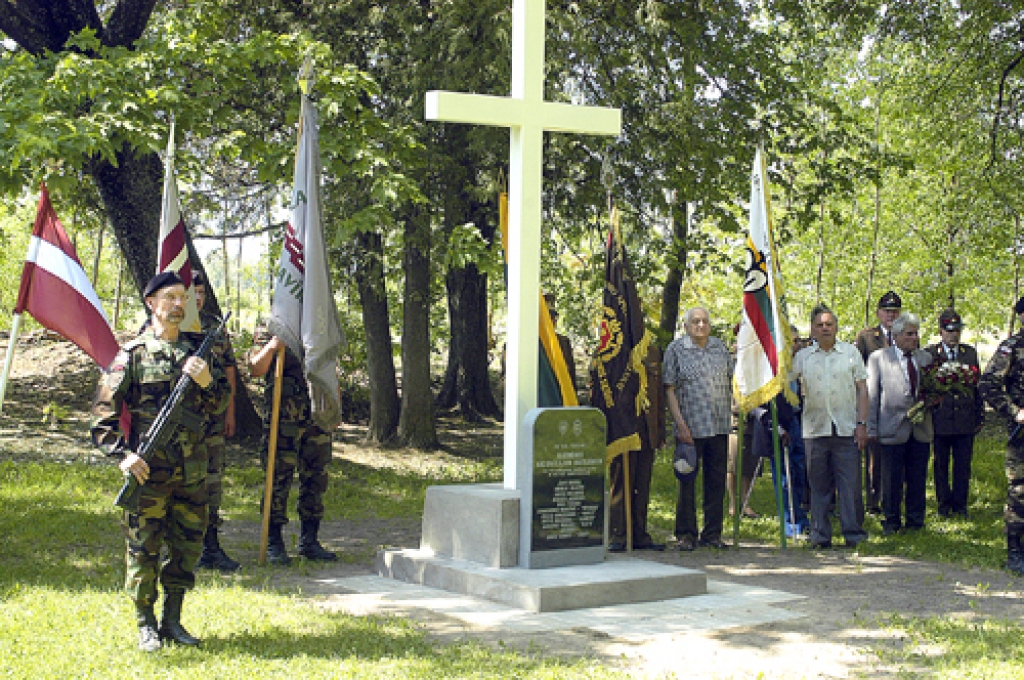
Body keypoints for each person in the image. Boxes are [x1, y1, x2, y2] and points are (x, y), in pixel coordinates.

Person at [90, 272, 230, 651]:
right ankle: (145, 624)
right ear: (151, 303)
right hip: (149, 471)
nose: (178, 304)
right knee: (143, 549)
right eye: (169, 297)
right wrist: (124, 455)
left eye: (182, 297)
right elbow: (103, 416)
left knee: (186, 548)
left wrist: (206, 382)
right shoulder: (132, 355)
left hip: (193, 471)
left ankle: (173, 621)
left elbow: (221, 404)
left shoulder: (199, 354)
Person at [249, 326, 337, 564]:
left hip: (316, 414)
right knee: (278, 478)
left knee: (316, 477)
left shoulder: (317, 325)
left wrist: (334, 407)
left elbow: (329, 369)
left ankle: (310, 540)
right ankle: (274, 541)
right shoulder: (271, 328)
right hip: (283, 417)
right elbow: (255, 369)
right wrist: (272, 346)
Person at [790, 304, 869, 549]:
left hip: (846, 428)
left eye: (829, 324)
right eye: (819, 325)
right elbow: (783, 383)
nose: (825, 328)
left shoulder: (850, 353)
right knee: (818, 486)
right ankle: (820, 535)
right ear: (812, 330)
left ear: (836, 327)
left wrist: (862, 423)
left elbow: (863, 391)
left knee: (850, 485)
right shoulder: (803, 357)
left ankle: (853, 533)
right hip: (815, 429)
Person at [664, 306, 734, 551]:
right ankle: (686, 533)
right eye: (695, 322)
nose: (701, 325)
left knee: (716, 482)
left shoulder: (720, 348)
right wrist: (680, 424)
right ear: (686, 326)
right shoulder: (676, 350)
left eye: (704, 321)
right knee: (687, 482)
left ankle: (712, 533)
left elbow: (734, 381)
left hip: (719, 426)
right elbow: (669, 389)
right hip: (690, 428)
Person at [191, 271, 241, 571]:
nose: (197, 298)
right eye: (192, 292)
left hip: (212, 417)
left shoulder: (214, 326)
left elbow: (229, 369)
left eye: (201, 293)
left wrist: (230, 412)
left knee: (212, 482)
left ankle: (211, 546)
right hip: (182, 422)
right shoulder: (172, 328)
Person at [867, 312, 934, 535]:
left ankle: (916, 520)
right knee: (891, 478)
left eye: (916, 334)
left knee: (917, 476)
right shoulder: (879, 358)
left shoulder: (925, 359)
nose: (914, 338)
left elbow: (933, 390)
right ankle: (891, 520)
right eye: (909, 334)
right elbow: (872, 395)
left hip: (920, 428)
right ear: (896, 335)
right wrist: (871, 428)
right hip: (891, 428)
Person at [978, 296, 1024, 576]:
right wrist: (1014, 411)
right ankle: (1015, 550)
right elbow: (988, 384)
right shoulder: (1012, 347)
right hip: (1022, 433)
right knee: (1020, 491)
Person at [924, 309, 983, 518]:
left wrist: (979, 415)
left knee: (962, 466)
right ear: (941, 331)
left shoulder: (970, 353)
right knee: (941, 465)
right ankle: (943, 504)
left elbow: (978, 388)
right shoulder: (931, 354)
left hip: (964, 420)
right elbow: (926, 388)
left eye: (957, 330)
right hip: (940, 420)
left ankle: (960, 505)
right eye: (949, 330)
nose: (954, 335)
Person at [608, 344, 666, 552]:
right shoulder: (611, 348)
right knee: (621, 482)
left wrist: (660, 428)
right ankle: (618, 533)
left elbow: (658, 393)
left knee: (642, 482)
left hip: (646, 428)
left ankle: (639, 533)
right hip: (622, 428)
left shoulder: (651, 349)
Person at [856, 290, 903, 514]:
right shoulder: (866, 337)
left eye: (894, 311)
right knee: (874, 456)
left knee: (895, 455)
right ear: (878, 313)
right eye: (886, 311)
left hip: (898, 404)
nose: (890, 315)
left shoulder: (906, 335)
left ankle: (892, 497)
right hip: (874, 401)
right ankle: (873, 500)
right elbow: (859, 369)